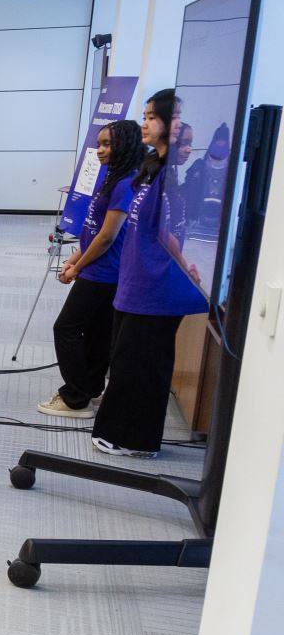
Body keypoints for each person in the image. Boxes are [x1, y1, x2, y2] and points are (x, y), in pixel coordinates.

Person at [92, 89, 206, 458]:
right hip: (135, 281)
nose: (146, 123)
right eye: (145, 116)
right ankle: (120, 432)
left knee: (143, 365)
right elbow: (159, 230)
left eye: (152, 117)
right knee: (125, 360)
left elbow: (173, 231)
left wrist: (186, 265)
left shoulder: (172, 177)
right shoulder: (151, 168)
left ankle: (135, 439)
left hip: (156, 288)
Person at [40, 119, 142, 418]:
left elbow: (108, 236)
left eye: (107, 144)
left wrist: (77, 268)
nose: (100, 150)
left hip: (104, 271)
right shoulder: (114, 177)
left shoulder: (125, 183)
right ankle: (91, 389)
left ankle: (76, 396)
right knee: (98, 331)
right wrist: (74, 259)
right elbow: (95, 230)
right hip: (96, 266)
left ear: (125, 145)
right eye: (99, 143)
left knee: (66, 328)